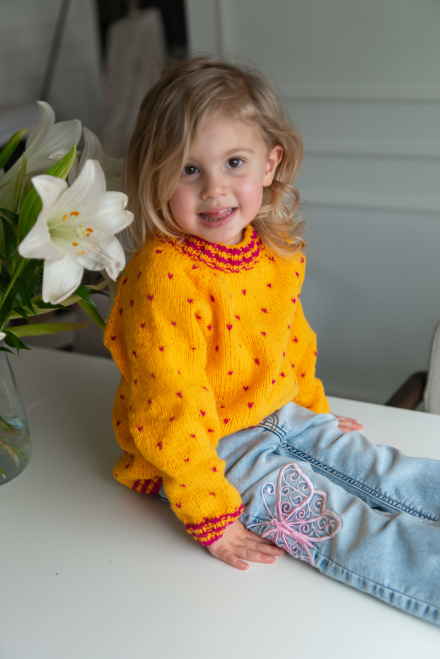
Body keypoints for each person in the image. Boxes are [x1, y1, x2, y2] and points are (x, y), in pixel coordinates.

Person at [103, 57, 440, 626]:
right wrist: (209, 513)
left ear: (270, 163)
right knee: (341, 520)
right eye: (188, 169)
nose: (214, 189)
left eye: (233, 162)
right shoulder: (163, 274)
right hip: (210, 448)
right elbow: (168, 402)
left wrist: (314, 410)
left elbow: (293, 340)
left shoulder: (273, 249)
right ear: (155, 175)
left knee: (383, 469)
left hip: (280, 414)